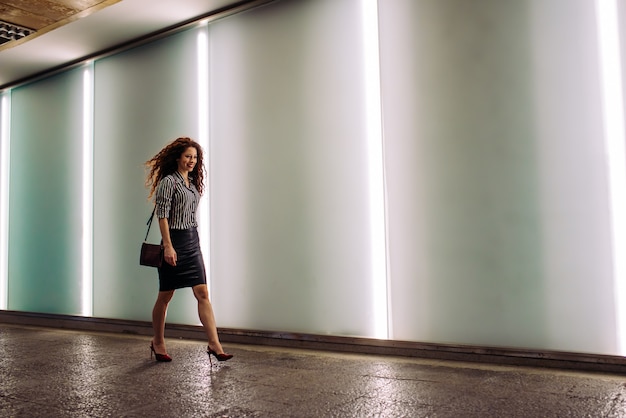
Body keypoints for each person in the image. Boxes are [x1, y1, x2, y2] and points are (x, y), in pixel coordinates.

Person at [144, 136, 233, 364]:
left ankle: (215, 344)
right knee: (165, 295)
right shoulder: (169, 182)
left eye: (194, 157)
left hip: (192, 241)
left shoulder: (191, 183)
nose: (192, 161)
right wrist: (168, 246)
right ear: (178, 158)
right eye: (188, 156)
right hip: (173, 240)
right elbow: (162, 216)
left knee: (202, 293)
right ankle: (158, 341)